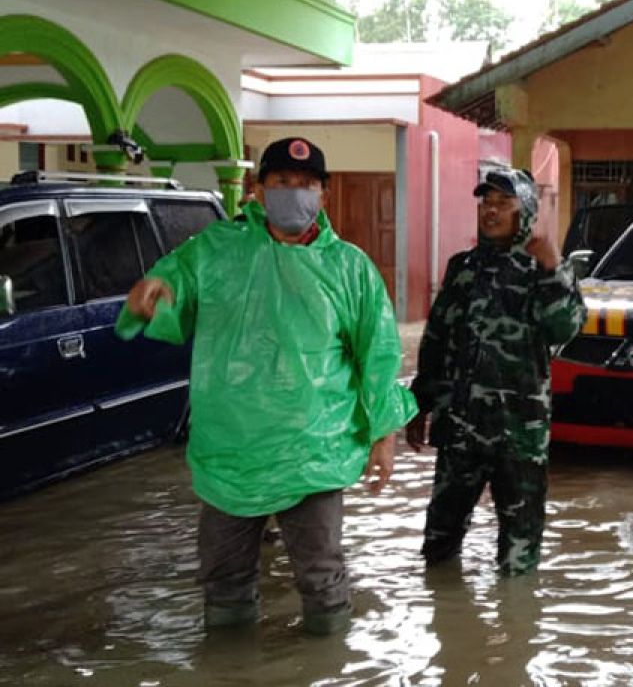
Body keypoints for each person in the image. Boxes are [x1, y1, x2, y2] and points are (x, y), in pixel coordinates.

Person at [117, 136, 417, 634]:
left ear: (324, 192)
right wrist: (146, 302)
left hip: (312, 453)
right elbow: (167, 297)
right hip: (230, 452)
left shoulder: (350, 268)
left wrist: (383, 437)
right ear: (257, 189)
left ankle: (325, 662)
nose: (294, 194)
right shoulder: (212, 251)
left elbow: (378, 356)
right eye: (282, 183)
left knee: (322, 581)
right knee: (223, 582)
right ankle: (230, 668)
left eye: (306, 184)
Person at [406, 166, 585, 576]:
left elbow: (563, 330)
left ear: (526, 210)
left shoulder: (548, 269)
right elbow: (436, 339)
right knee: (438, 542)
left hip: (518, 435)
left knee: (518, 558)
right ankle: (447, 627)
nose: (491, 211)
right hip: (459, 430)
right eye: (486, 202)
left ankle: (516, 635)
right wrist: (419, 405)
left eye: (503, 203)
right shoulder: (462, 267)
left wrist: (552, 268)